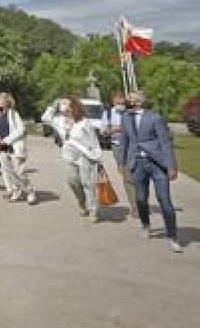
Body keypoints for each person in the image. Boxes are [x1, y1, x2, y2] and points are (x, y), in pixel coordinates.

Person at [117, 90, 182, 253]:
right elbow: (123, 142)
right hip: (137, 164)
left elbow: (165, 142)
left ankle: (172, 236)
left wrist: (171, 166)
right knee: (140, 198)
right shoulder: (125, 118)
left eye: (130, 99)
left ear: (139, 102)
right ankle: (146, 224)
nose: (126, 101)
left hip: (156, 163)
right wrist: (122, 164)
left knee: (164, 200)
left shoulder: (155, 118)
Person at [59, 96, 103, 222]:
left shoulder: (84, 122)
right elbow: (46, 117)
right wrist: (55, 105)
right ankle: (81, 201)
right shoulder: (62, 122)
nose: (66, 111)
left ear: (74, 108)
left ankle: (92, 210)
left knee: (87, 183)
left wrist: (98, 157)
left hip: (85, 156)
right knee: (72, 181)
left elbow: (94, 141)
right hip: (69, 156)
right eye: (64, 109)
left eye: (68, 108)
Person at [0, 92, 37, 205]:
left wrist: (6, 140)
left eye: (0, 100)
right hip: (2, 148)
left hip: (14, 147)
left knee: (19, 172)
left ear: (6, 102)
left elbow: (21, 130)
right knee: (8, 171)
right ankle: (16, 191)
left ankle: (30, 192)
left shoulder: (14, 114)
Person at [104, 92, 138, 215]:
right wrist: (109, 131)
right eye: (117, 103)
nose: (120, 105)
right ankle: (134, 203)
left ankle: (137, 202)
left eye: (122, 103)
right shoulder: (108, 113)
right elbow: (104, 131)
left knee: (134, 175)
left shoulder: (131, 113)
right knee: (126, 175)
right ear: (113, 102)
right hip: (117, 147)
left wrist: (120, 128)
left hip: (132, 147)